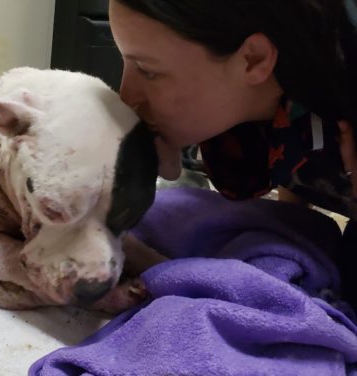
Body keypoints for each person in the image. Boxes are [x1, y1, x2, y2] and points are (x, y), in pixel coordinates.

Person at [109, 0, 357, 307]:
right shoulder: (244, 116)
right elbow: (289, 168)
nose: (126, 97)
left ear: (253, 59)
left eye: (147, 70)